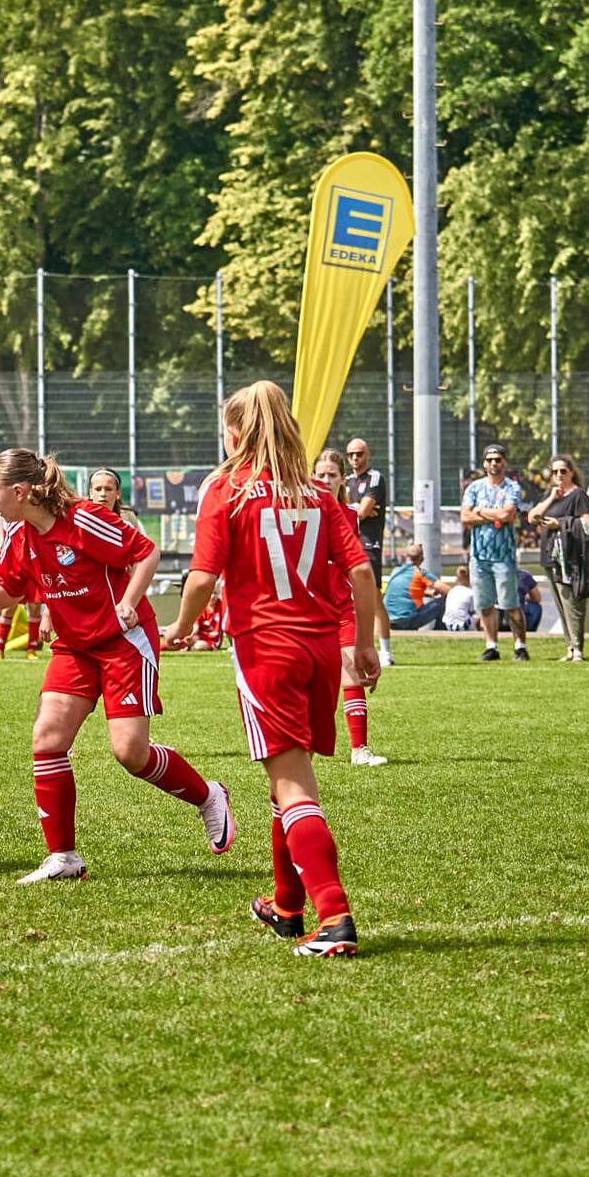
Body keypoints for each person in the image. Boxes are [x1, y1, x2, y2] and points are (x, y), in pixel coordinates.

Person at [164, 380, 378, 958]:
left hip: (266, 649)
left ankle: (333, 917)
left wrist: (181, 628)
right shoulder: (318, 492)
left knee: (293, 784)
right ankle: (287, 906)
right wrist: (362, 645)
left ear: (236, 432)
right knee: (289, 780)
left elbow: (204, 579)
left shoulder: (226, 490)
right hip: (319, 653)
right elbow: (360, 574)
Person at [0, 447, 232, 885]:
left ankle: (209, 796)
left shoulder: (84, 519)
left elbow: (146, 553)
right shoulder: (18, 534)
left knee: (130, 753)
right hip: (74, 647)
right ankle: (63, 857)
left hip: (124, 643)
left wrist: (127, 602)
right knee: (47, 739)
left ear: (20, 491)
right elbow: (12, 590)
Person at [314, 450, 386, 767]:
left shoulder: (348, 515)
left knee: (352, 672)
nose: (326, 480)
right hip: (309, 609)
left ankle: (359, 750)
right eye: (321, 475)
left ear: (343, 478)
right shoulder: (298, 513)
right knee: (309, 682)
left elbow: (351, 567)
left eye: (332, 475)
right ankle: (302, 747)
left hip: (340, 607)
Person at [460, 444, 530, 662]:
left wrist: (479, 511)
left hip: (504, 556)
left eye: (498, 460)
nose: (494, 464)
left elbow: (508, 514)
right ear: (484, 463)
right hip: (479, 557)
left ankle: (520, 645)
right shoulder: (474, 488)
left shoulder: (512, 487)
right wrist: (493, 515)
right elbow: (465, 517)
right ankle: (491, 646)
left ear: (504, 462)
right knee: (485, 605)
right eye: (490, 460)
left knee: (510, 604)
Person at [525, 454, 589, 660]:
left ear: (571, 472)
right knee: (560, 604)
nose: (559, 475)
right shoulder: (550, 494)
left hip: (570, 557)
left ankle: (578, 648)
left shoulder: (578, 495)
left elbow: (588, 523)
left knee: (572, 603)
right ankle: (570, 648)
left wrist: (561, 524)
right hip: (551, 557)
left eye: (563, 471)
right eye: (554, 472)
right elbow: (532, 517)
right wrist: (551, 498)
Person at [344, 439, 394, 666]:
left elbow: (362, 512)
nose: (355, 458)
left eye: (359, 454)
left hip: (368, 544)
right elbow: (354, 510)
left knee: (373, 598)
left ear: (367, 454)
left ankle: (385, 650)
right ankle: (351, 645)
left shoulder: (375, 478)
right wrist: (359, 508)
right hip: (347, 541)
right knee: (348, 598)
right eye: (351, 454)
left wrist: (356, 509)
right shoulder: (346, 481)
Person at [381, 542, 452, 631]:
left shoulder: (395, 571)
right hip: (408, 620)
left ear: (405, 557)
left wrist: (429, 594)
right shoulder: (420, 573)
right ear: (422, 559)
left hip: (389, 620)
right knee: (443, 600)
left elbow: (405, 591)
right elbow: (449, 591)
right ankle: (440, 631)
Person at [86, 468, 143, 536]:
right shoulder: (81, 522)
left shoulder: (127, 524)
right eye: (98, 489)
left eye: (108, 489)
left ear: (118, 493)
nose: (103, 494)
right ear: (91, 493)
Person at [442, 566, 476, 631]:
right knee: (479, 616)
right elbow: (473, 610)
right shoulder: (470, 592)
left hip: (448, 624)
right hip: (464, 625)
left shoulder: (451, 591)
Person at [517, 569, 544, 635]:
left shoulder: (489, 575)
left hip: (495, 616)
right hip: (516, 616)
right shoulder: (523, 575)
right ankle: (530, 632)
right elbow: (537, 598)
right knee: (536, 607)